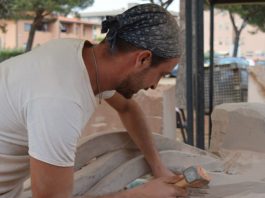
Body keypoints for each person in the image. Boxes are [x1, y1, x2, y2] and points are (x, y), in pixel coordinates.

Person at [0, 3, 187, 198]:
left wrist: (157, 166)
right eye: (160, 74)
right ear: (142, 59)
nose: (155, 85)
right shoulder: (60, 101)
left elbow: (127, 108)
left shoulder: (82, 59)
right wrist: (141, 194)